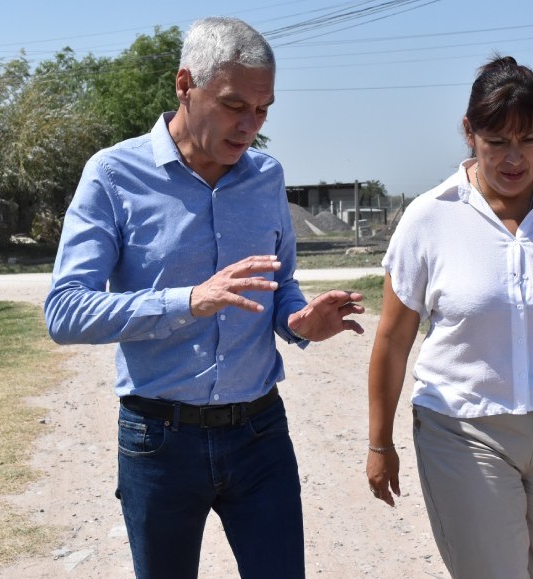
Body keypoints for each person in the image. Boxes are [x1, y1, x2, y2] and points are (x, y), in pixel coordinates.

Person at [44, 17, 365, 579]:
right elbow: (65, 311)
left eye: (263, 110)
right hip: (158, 442)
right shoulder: (114, 176)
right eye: (234, 104)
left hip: (260, 435)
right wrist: (188, 300)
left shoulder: (266, 177)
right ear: (184, 84)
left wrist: (299, 320)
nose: (250, 126)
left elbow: (279, 283)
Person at [365, 55, 533, 579]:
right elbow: (394, 337)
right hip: (463, 428)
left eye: (529, 140)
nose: (515, 159)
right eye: (497, 143)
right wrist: (380, 442)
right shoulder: (430, 216)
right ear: (469, 132)